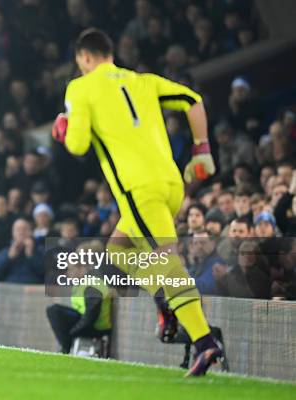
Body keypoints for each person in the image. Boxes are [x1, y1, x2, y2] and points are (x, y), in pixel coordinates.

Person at [51, 28, 221, 377]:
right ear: (110, 53)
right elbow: (193, 100)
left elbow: (78, 145)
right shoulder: (142, 80)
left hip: (139, 190)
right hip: (171, 183)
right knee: (118, 250)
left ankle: (204, 343)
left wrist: (64, 127)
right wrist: (201, 147)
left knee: (166, 261)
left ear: (84, 58)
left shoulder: (80, 87)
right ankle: (163, 296)